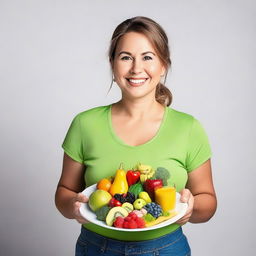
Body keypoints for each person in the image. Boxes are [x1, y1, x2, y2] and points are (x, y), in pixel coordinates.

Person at [55, 16, 217, 256]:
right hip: (96, 248)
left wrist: (192, 208)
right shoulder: (84, 124)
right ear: (112, 64)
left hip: (166, 249)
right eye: (125, 57)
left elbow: (208, 201)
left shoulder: (188, 128)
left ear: (163, 65)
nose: (136, 68)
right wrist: (74, 205)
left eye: (147, 57)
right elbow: (64, 192)